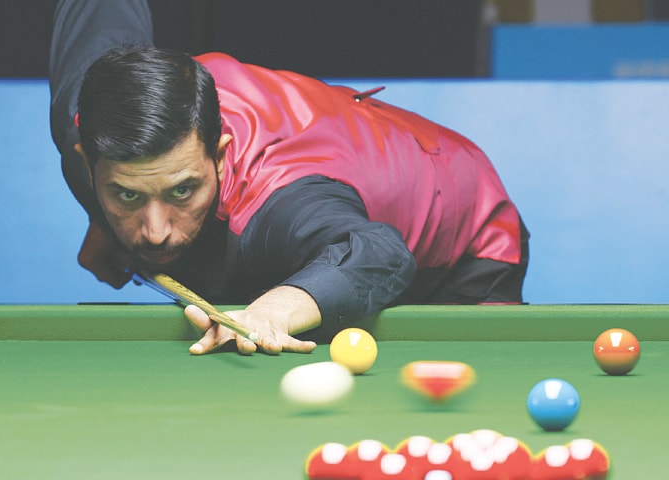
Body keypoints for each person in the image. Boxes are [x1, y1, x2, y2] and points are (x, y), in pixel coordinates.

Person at [50, 2, 529, 356]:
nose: (154, 231)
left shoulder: (279, 197)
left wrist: (271, 312)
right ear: (86, 162)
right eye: (126, 194)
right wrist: (105, 218)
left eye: (182, 190)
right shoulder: (87, 110)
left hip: (463, 223)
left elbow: (379, 254)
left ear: (220, 157)